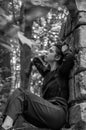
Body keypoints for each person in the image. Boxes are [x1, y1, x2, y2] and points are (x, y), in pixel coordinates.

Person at [0, 41, 75, 130]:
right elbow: (36, 60)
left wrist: (65, 50)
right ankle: (4, 124)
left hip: (57, 113)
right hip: (47, 113)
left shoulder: (61, 72)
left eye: (50, 51)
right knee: (16, 97)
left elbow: (70, 58)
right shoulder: (47, 74)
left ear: (57, 57)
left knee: (21, 93)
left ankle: (6, 126)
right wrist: (47, 56)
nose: (47, 52)